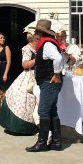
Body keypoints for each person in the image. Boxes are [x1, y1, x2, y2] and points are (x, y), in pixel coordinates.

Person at [26, 20, 64, 152]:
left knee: (43, 111)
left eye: (36, 32)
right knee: (52, 110)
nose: (34, 34)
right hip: (48, 82)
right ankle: (56, 142)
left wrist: (57, 74)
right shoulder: (45, 43)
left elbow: (58, 58)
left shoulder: (47, 44)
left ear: (39, 34)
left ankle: (42, 142)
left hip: (50, 82)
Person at [0, 31, 39, 135]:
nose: (38, 40)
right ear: (32, 38)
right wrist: (37, 60)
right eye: (36, 38)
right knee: (21, 96)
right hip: (29, 75)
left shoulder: (39, 48)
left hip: (38, 75)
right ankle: (21, 127)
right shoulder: (27, 48)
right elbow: (25, 64)